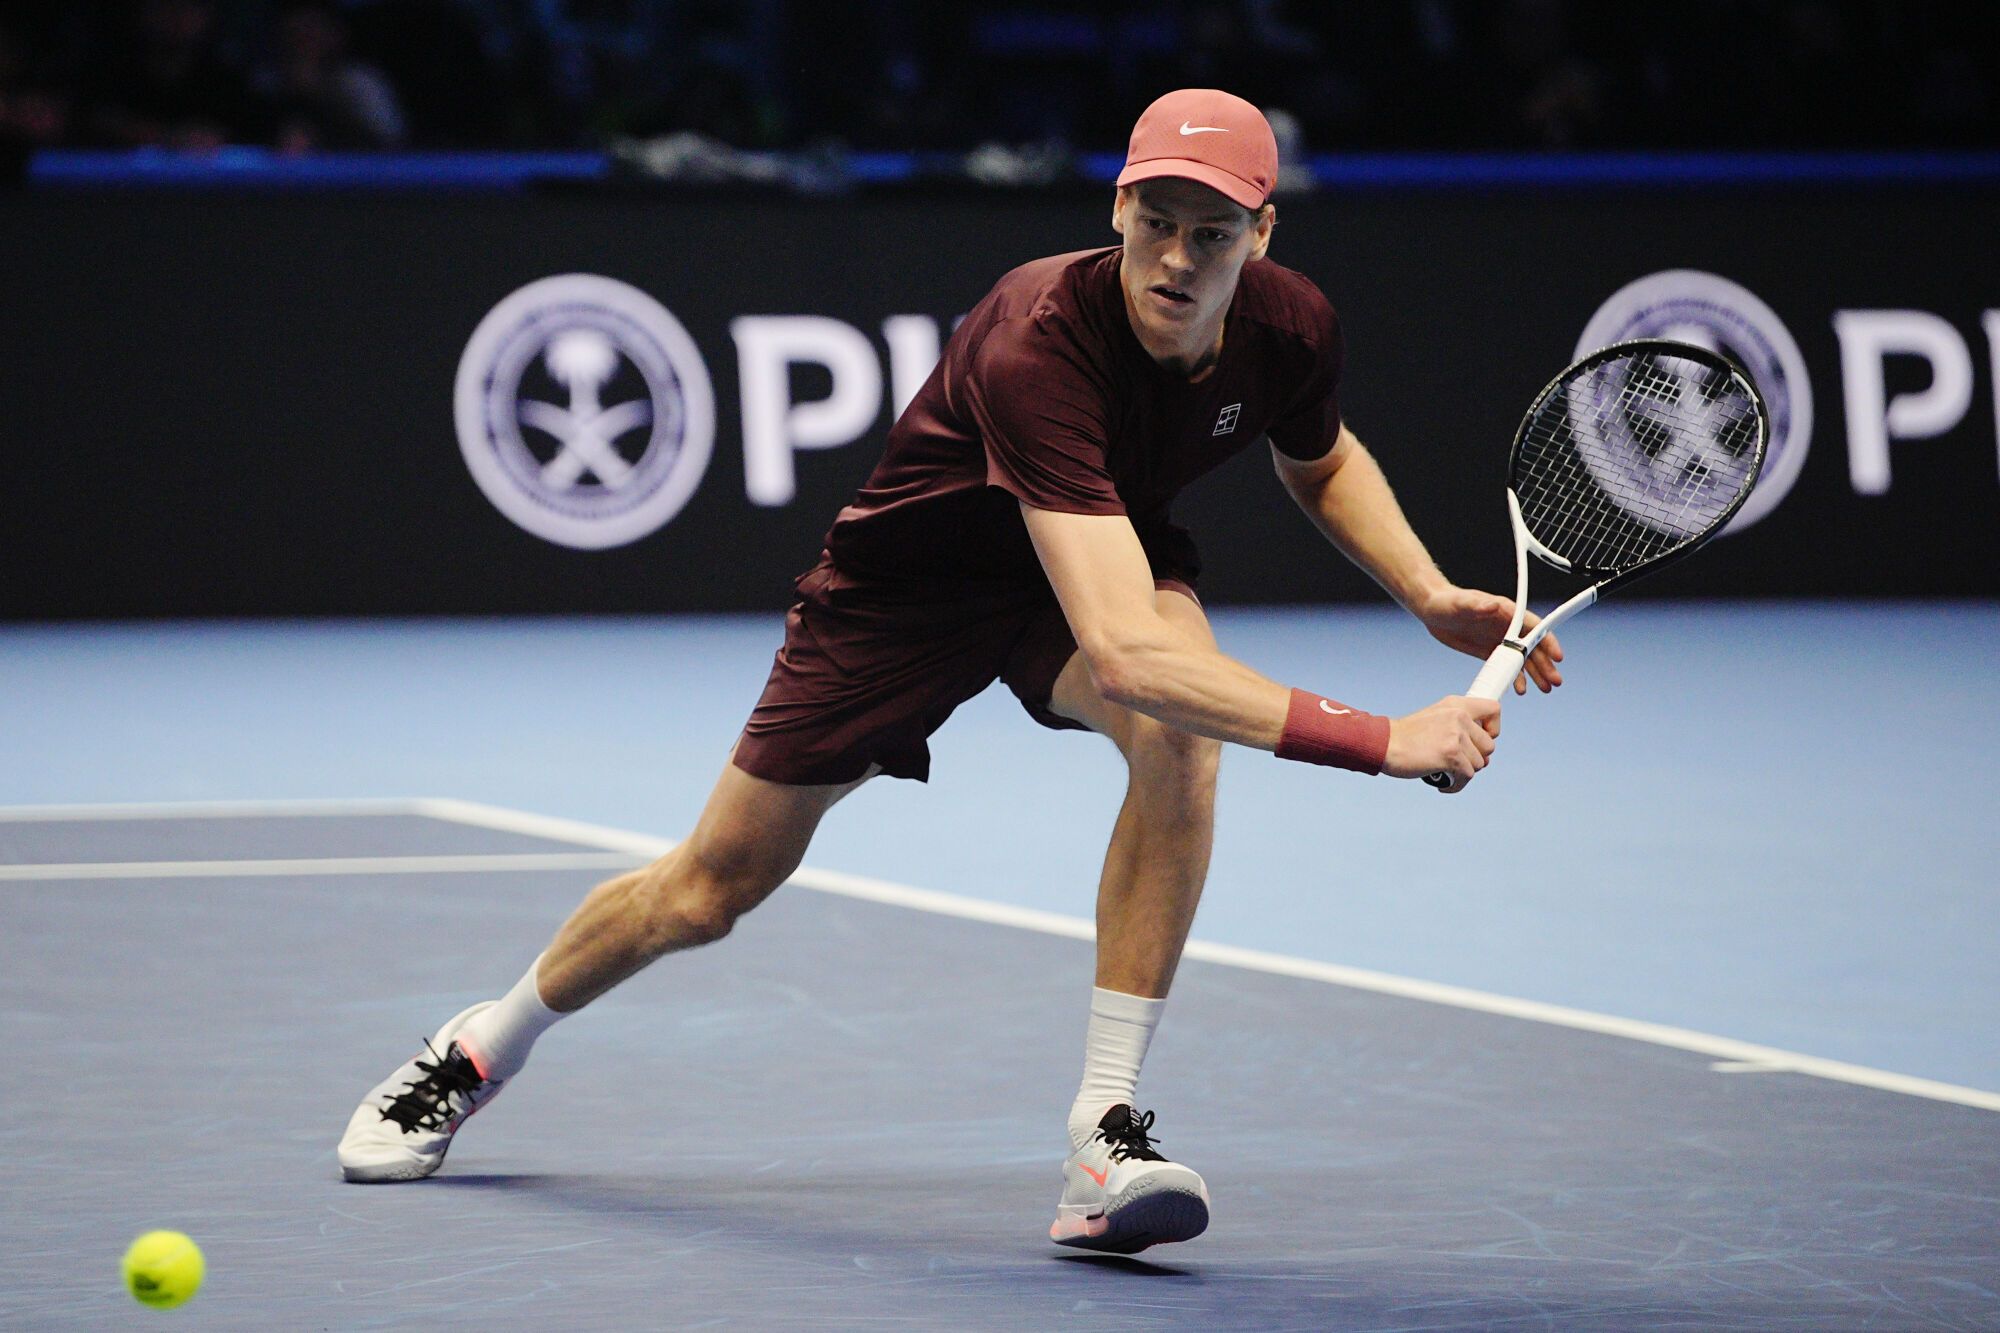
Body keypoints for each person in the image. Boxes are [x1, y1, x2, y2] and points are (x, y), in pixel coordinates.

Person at [337, 87, 1562, 1255]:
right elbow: (1131, 655)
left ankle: (1104, 1136)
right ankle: (479, 1047)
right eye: (1155, 223)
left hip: (1092, 561)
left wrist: (1425, 593)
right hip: (903, 596)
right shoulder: (1036, 339)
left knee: (1180, 738)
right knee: (707, 891)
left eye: (1211, 233)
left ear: (1260, 232)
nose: (1177, 260)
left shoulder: (1289, 323)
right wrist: (1379, 738)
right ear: (1116, 209)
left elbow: (1320, 456)